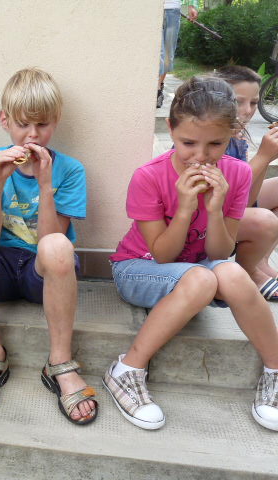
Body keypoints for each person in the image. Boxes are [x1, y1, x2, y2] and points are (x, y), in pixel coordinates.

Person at [105, 76, 278, 432]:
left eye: (215, 144)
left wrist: (214, 209)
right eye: (188, 143)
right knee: (201, 278)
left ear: (232, 135)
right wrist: (185, 208)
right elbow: (163, 256)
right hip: (139, 268)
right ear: (170, 129)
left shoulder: (237, 174)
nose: (200, 156)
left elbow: (221, 251)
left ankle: (275, 369)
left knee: (232, 273)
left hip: (195, 269)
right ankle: (126, 369)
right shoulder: (149, 177)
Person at [0, 67, 97, 424]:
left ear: (56, 121)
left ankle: (59, 361)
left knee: (58, 246)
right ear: (5, 120)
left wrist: (45, 185)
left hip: (43, 272)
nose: (33, 135)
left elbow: (50, 240)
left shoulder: (70, 170)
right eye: (24, 124)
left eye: (42, 124)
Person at [214, 65, 278, 298]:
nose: (247, 111)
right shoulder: (207, 138)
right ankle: (248, 272)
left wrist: (267, 158)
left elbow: (247, 200)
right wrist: (262, 157)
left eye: (253, 103)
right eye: (238, 101)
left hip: (231, 209)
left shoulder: (237, 136)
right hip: (208, 220)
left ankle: (259, 262)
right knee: (264, 220)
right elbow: (226, 198)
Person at [158, 0, 199, 108]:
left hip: (173, 9)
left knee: (168, 53)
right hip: (151, 9)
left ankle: (159, 86)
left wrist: (192, 5)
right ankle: (156, 90)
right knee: (159, 52)